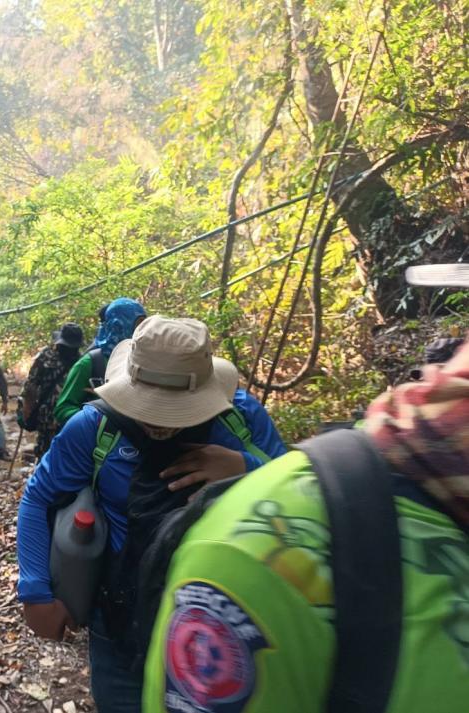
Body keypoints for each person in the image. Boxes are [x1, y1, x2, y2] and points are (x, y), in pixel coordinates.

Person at [140, 263, 469, 713]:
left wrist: (243, 464)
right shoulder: (258, 546)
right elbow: (46, 489)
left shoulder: (241, 415)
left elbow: (278, 456)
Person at [17, 316, 287, 713]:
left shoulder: (239, 420)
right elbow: (38, 497)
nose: (159, 422)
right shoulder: (94, 428)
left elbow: (297, 499)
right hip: (118, 613)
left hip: (219, 623)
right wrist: (36, 591)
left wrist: (244, 467)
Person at [54, 297, 146, 426]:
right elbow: (62, 409)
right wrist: (97, 420)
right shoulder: (89, 364)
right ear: (118, 325)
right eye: (137, 325)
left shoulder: (143, 362)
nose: (141, 331)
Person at [20, 322, 85, 458]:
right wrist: (26, 409)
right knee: (45, 453)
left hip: (70, 418)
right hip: (47, 415)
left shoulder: (82, 361)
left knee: (65, 454)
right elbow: (31, 385)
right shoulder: (46, 356)